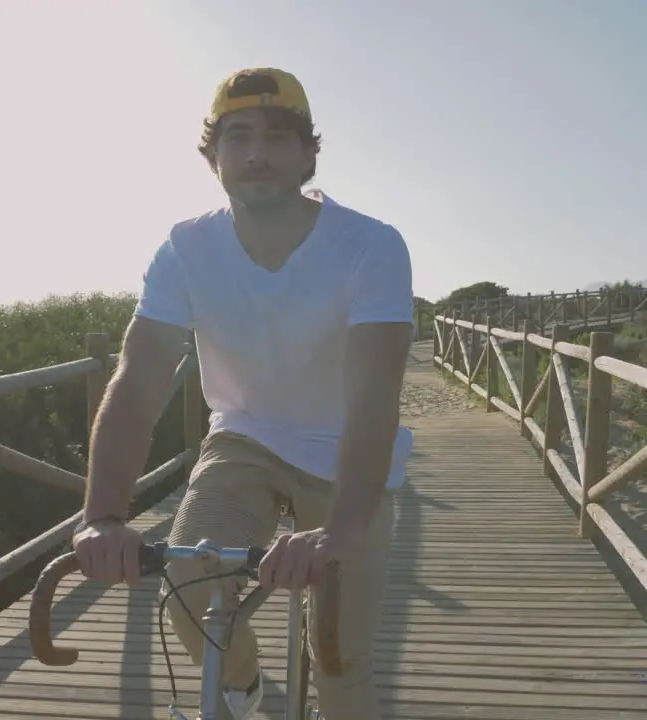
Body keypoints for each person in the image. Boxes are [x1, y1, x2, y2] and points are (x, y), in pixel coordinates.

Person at [70, 67, 415, 719]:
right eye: (238, 137)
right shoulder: (185, 248)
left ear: (310, 154)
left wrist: (337, 534)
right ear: (214, 156)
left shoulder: (371, 245)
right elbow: (138, 379)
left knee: (341, 661)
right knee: (190, 587)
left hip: (348, 452)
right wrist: (102, 515)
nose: (257, 153)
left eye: (280, 137)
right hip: (245, 438)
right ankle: (242, 684)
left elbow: (375, 396)